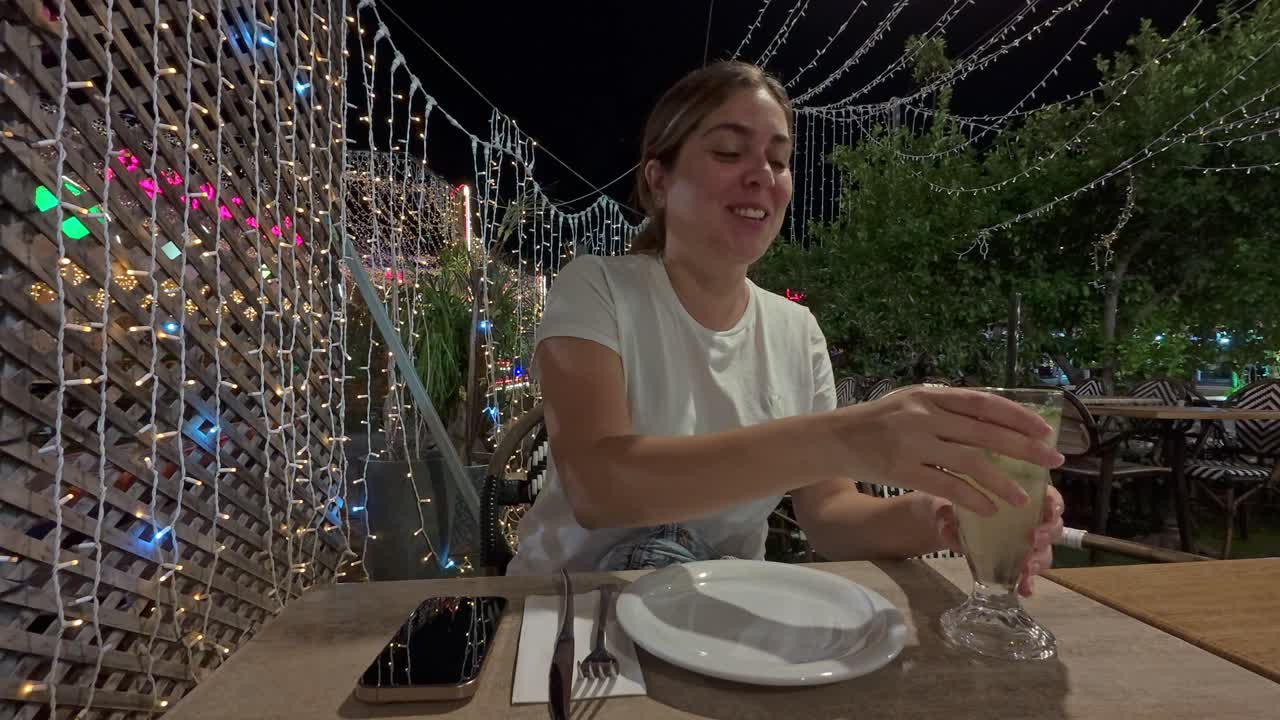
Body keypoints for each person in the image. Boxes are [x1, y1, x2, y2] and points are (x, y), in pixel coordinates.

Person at [506, 61, 1066, 596]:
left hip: (717, 614)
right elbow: (599, 485)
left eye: (778, 160)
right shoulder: (597, 287)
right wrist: (845, 438)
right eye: (728, 151)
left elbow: (829, 517)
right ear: (658, 180)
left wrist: (939, 514)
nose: (761, 176)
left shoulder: (797, 331)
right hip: (569, 616)